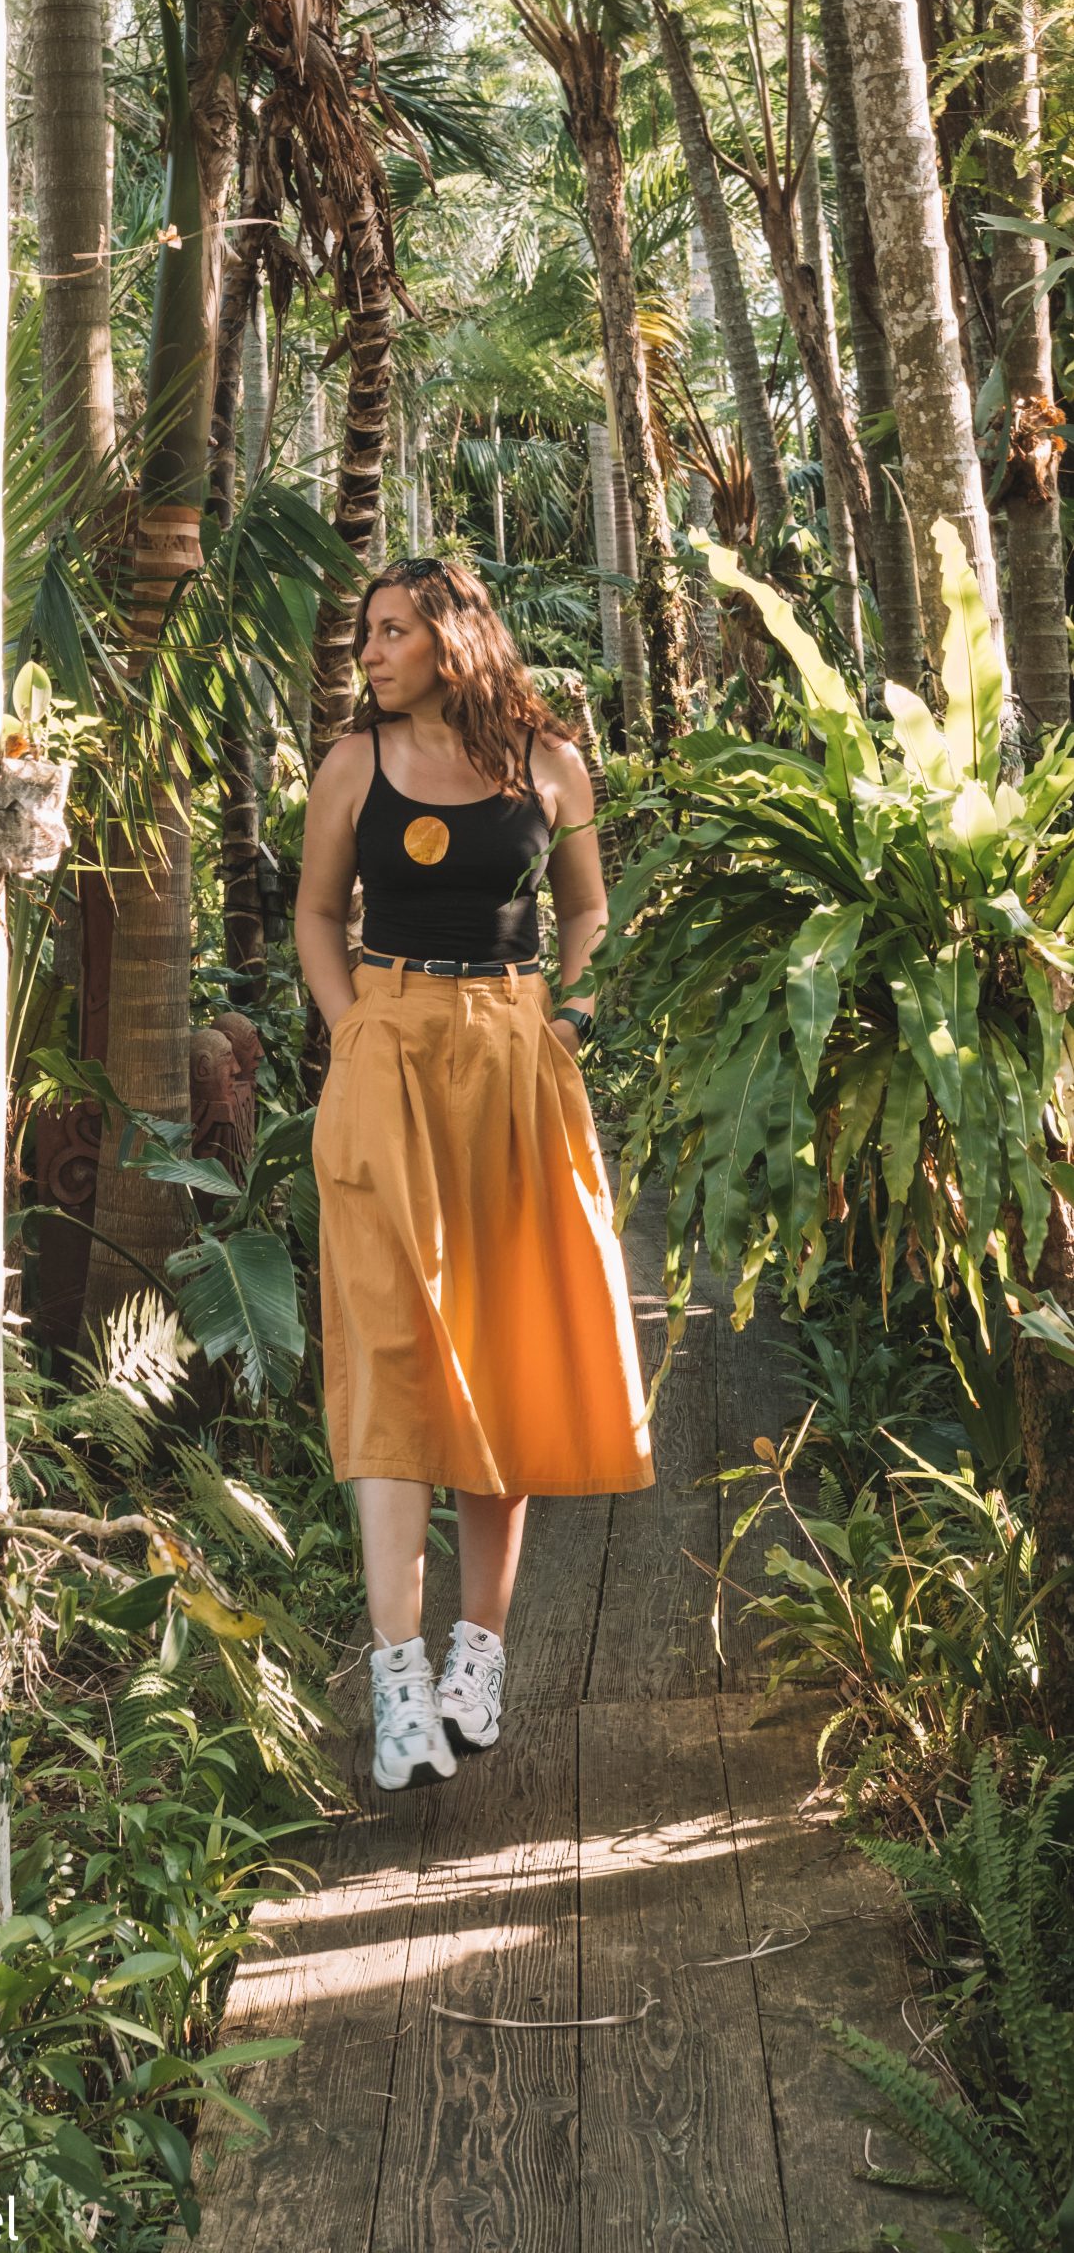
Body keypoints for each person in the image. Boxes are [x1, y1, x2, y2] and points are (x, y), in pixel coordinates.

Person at [294, 554, 653, 1792]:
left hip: (513, 1062)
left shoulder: (552, 765)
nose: (370, 652)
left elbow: (594, 913)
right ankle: (397, 1682)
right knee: (390, 1350)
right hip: (388, 1058)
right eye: (365, 634)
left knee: (497, 1353)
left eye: (392, 630)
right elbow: (314, 917)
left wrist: (571, 1021)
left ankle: (476, 1653)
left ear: (456, 637)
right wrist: (350, 1029)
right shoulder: (354, 767)